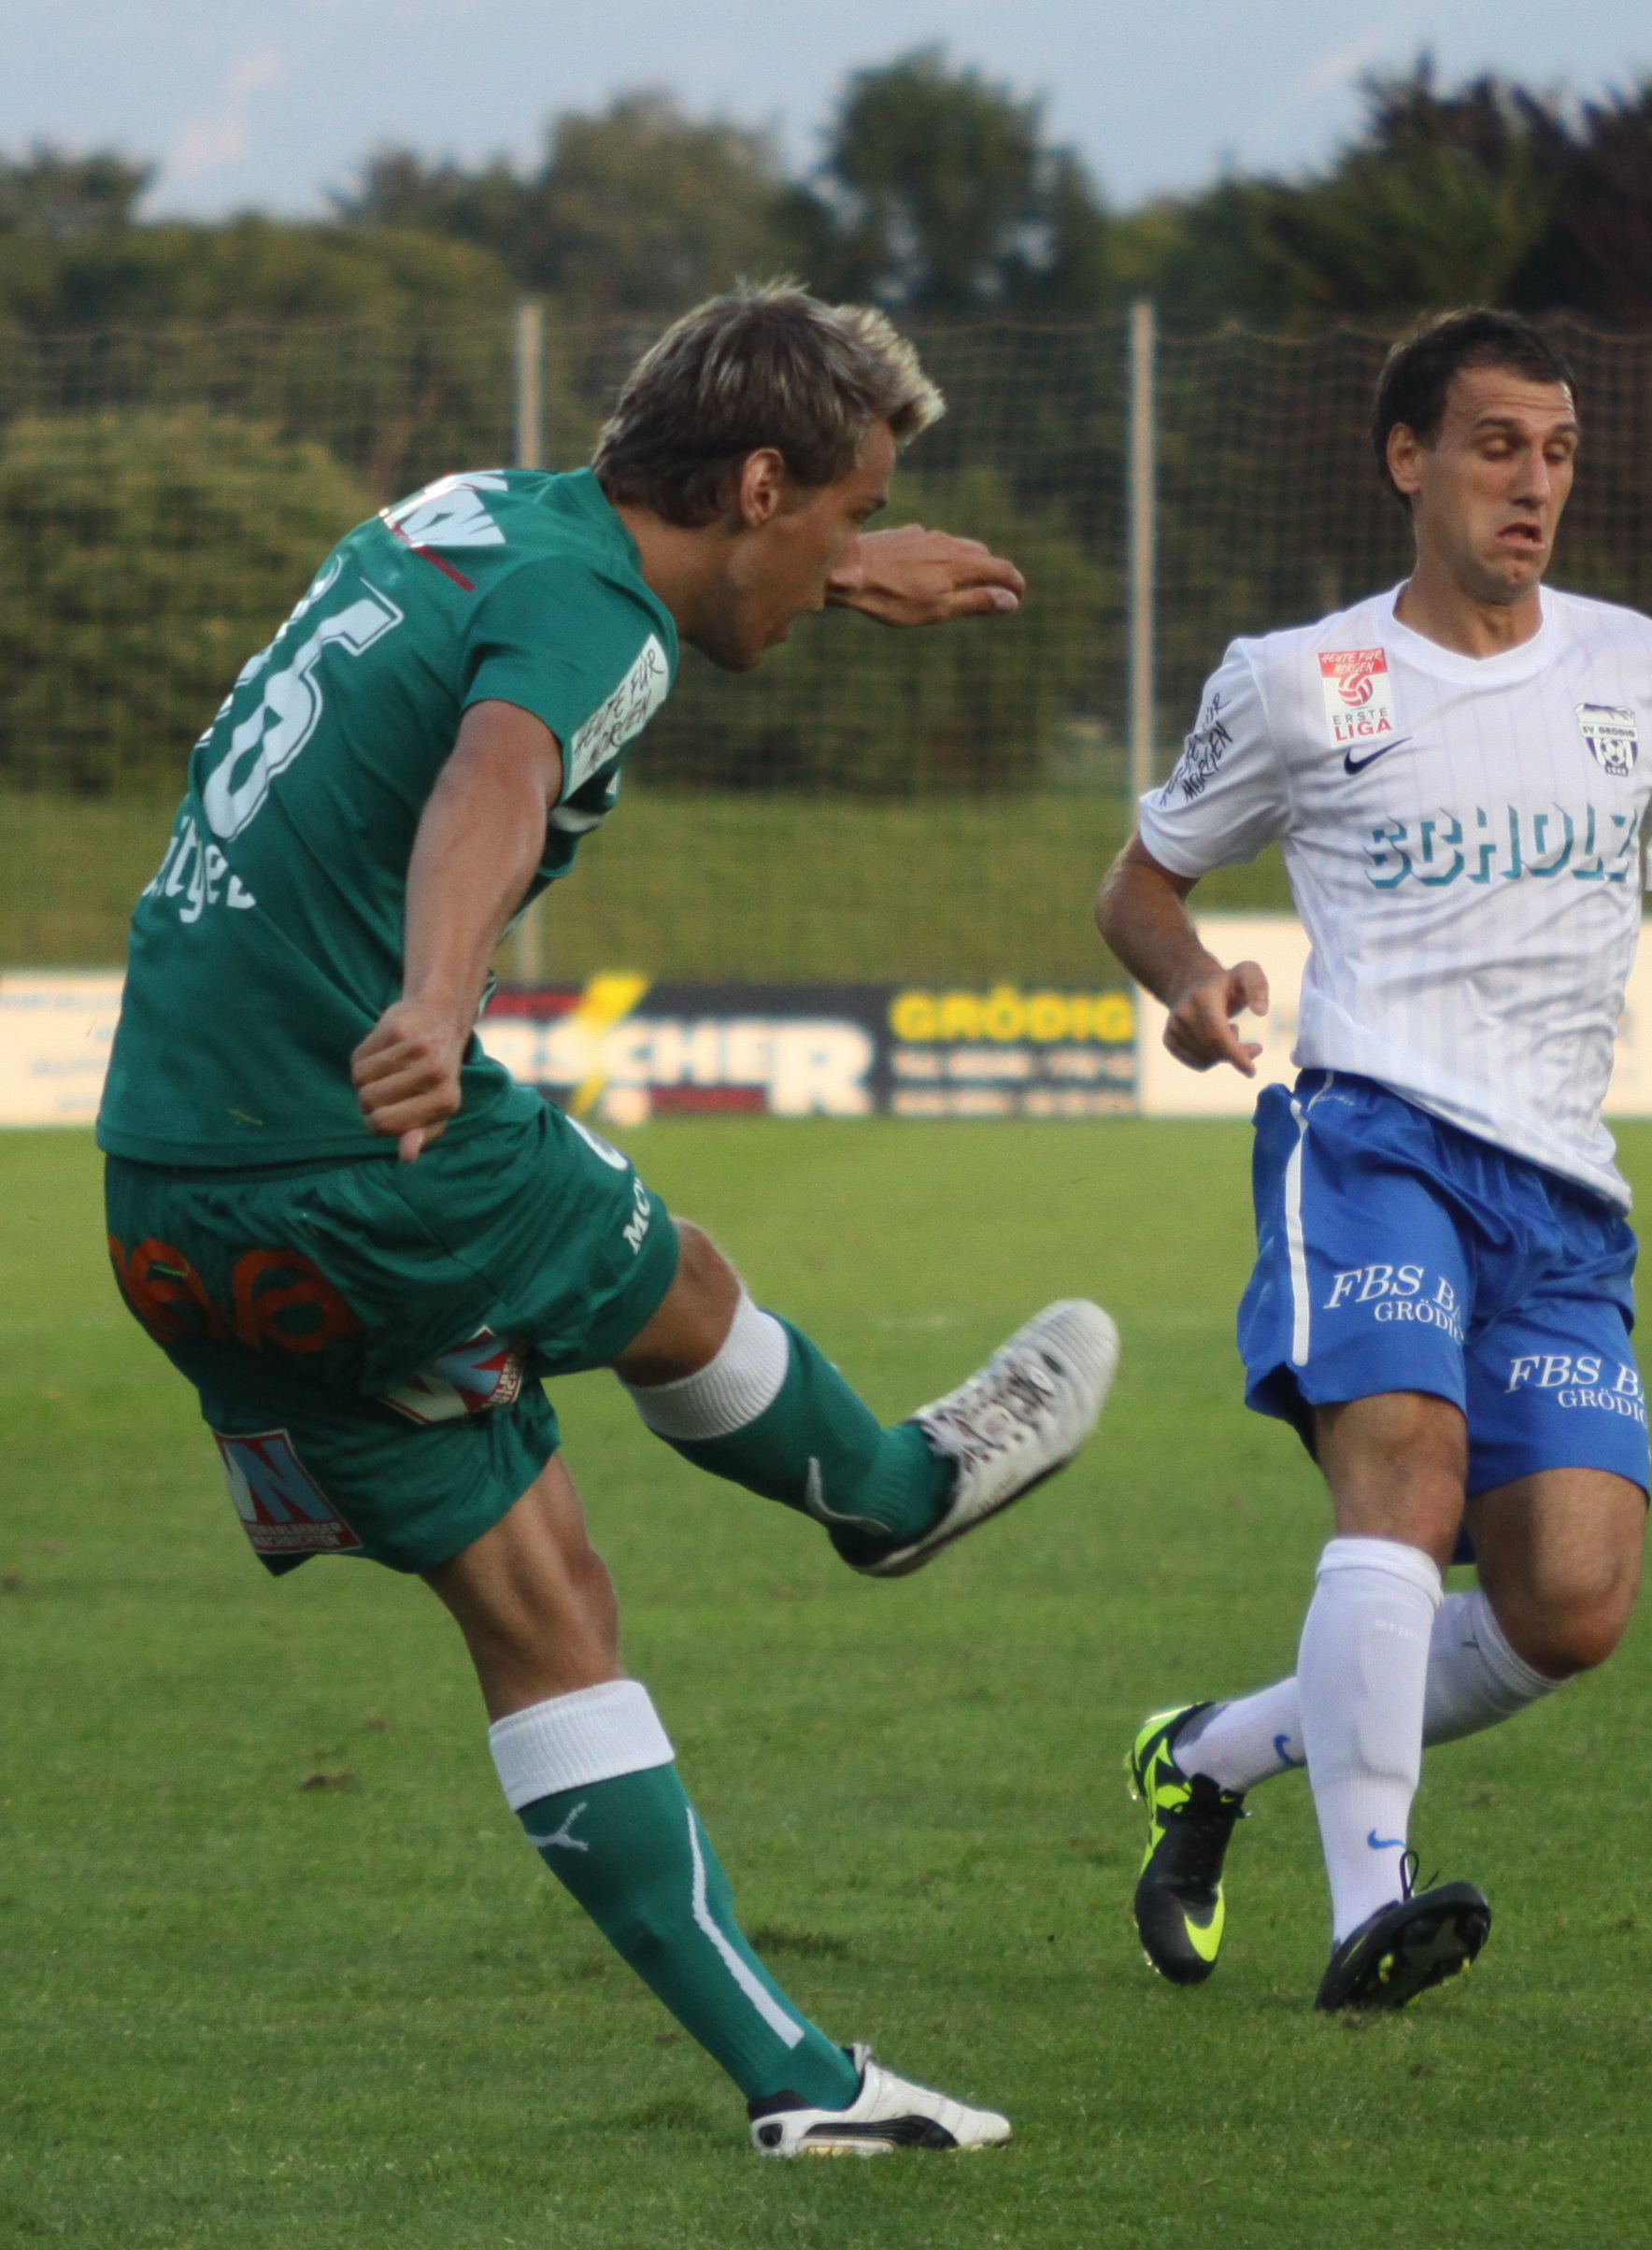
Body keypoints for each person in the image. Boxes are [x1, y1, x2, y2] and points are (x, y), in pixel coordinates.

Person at [98, 283, 1118, 2155]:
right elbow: (498, 770)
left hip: (165, 1192)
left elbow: (506, 668)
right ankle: (893, 1492)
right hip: (367, 1152)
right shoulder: (605, 620)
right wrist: (436, 997)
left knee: (548, 1605)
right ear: (757, 484)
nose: (846, 561)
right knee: (675, 1278)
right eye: (845, 513)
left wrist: (843, 564)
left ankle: (806, 2091)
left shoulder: (477, 514)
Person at [1095, 307, 1652, 2013]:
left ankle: (1211, 1754)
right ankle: (1373, 1905)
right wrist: (1191, 986)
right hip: (1371, 1136)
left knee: (1569, 1605)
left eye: (1558, 452)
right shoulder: (1299, 679)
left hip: (1562, 1196)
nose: (1534, 483)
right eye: (1498, 446)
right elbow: (1139, 887)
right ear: (1408, 457)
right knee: (1407, 1481)